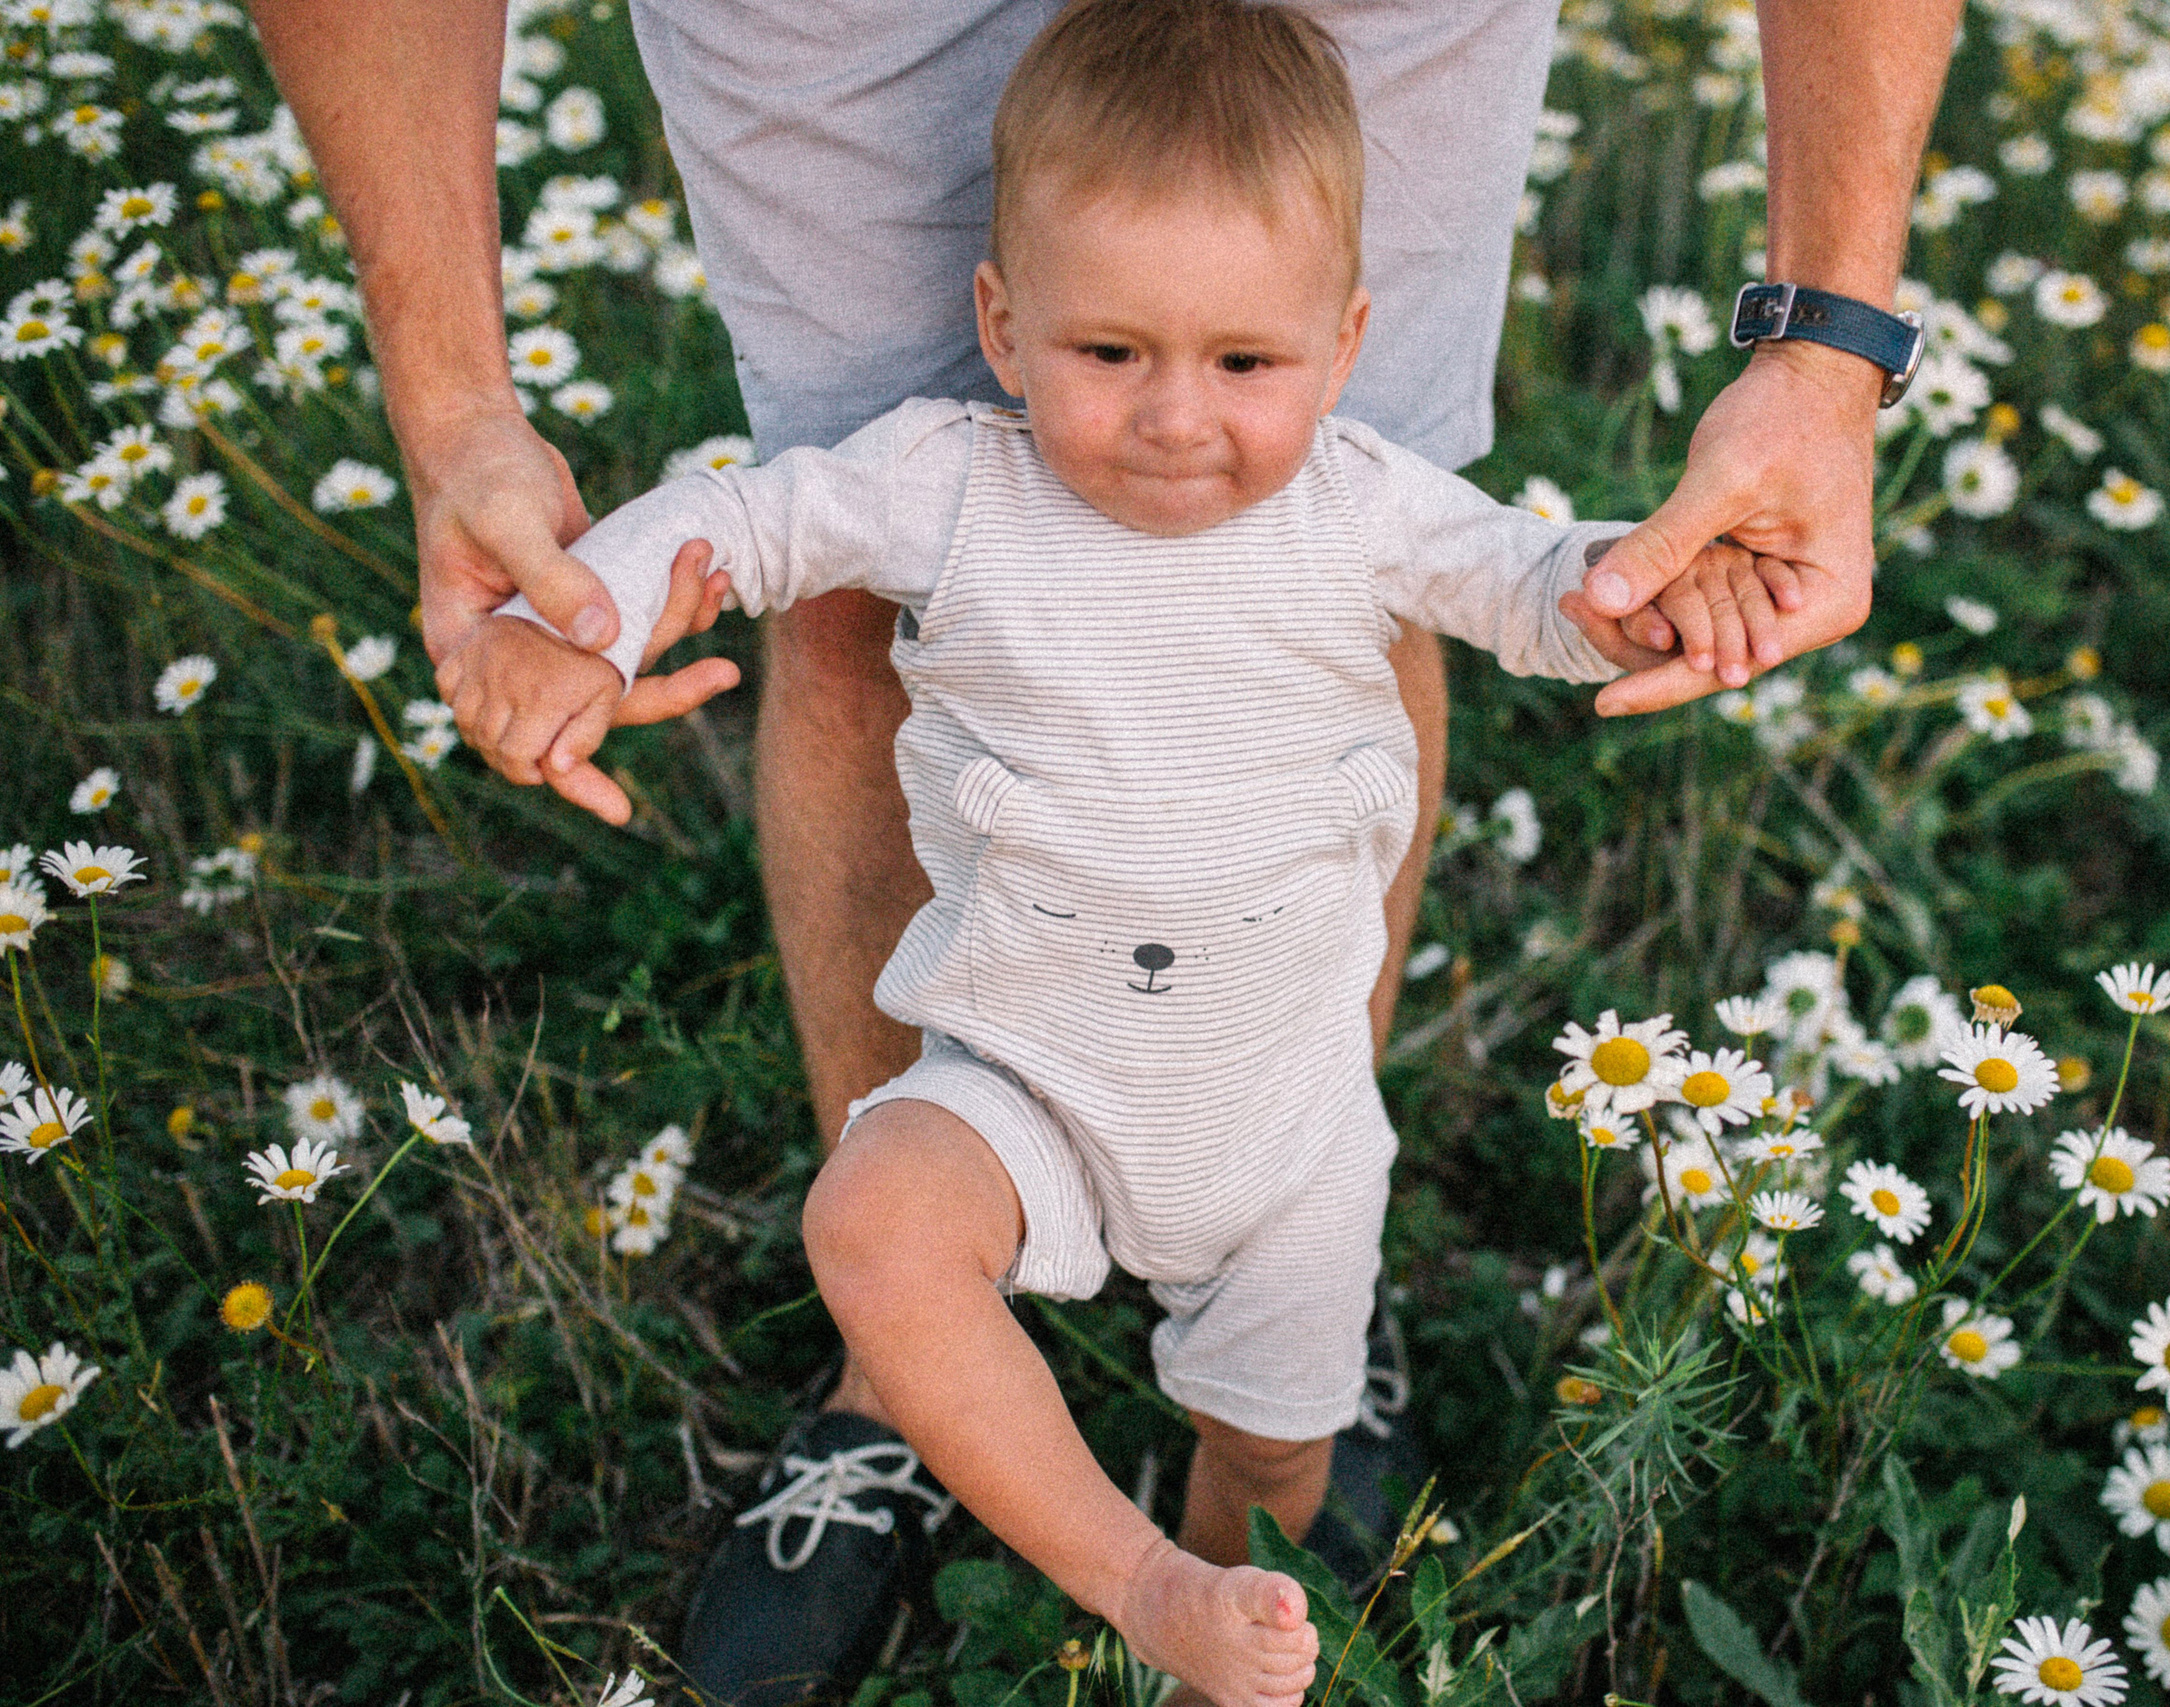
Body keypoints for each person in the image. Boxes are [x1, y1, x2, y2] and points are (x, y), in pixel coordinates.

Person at [248, 0, 1960, 1700]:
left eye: (1243, 363)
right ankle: (1128, 1576)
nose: (1174, 419)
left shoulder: (1367, 499)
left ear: (1347, 346)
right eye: (1108, 353)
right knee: (876, 1228)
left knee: (1275, 1481)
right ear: (999, 324)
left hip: (1284, 1128)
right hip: (1019, 1079)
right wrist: (589, 620)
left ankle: (1229, 1606)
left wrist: (1671, 590)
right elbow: (747, 523)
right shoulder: (943, 481)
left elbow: (1544, 590)